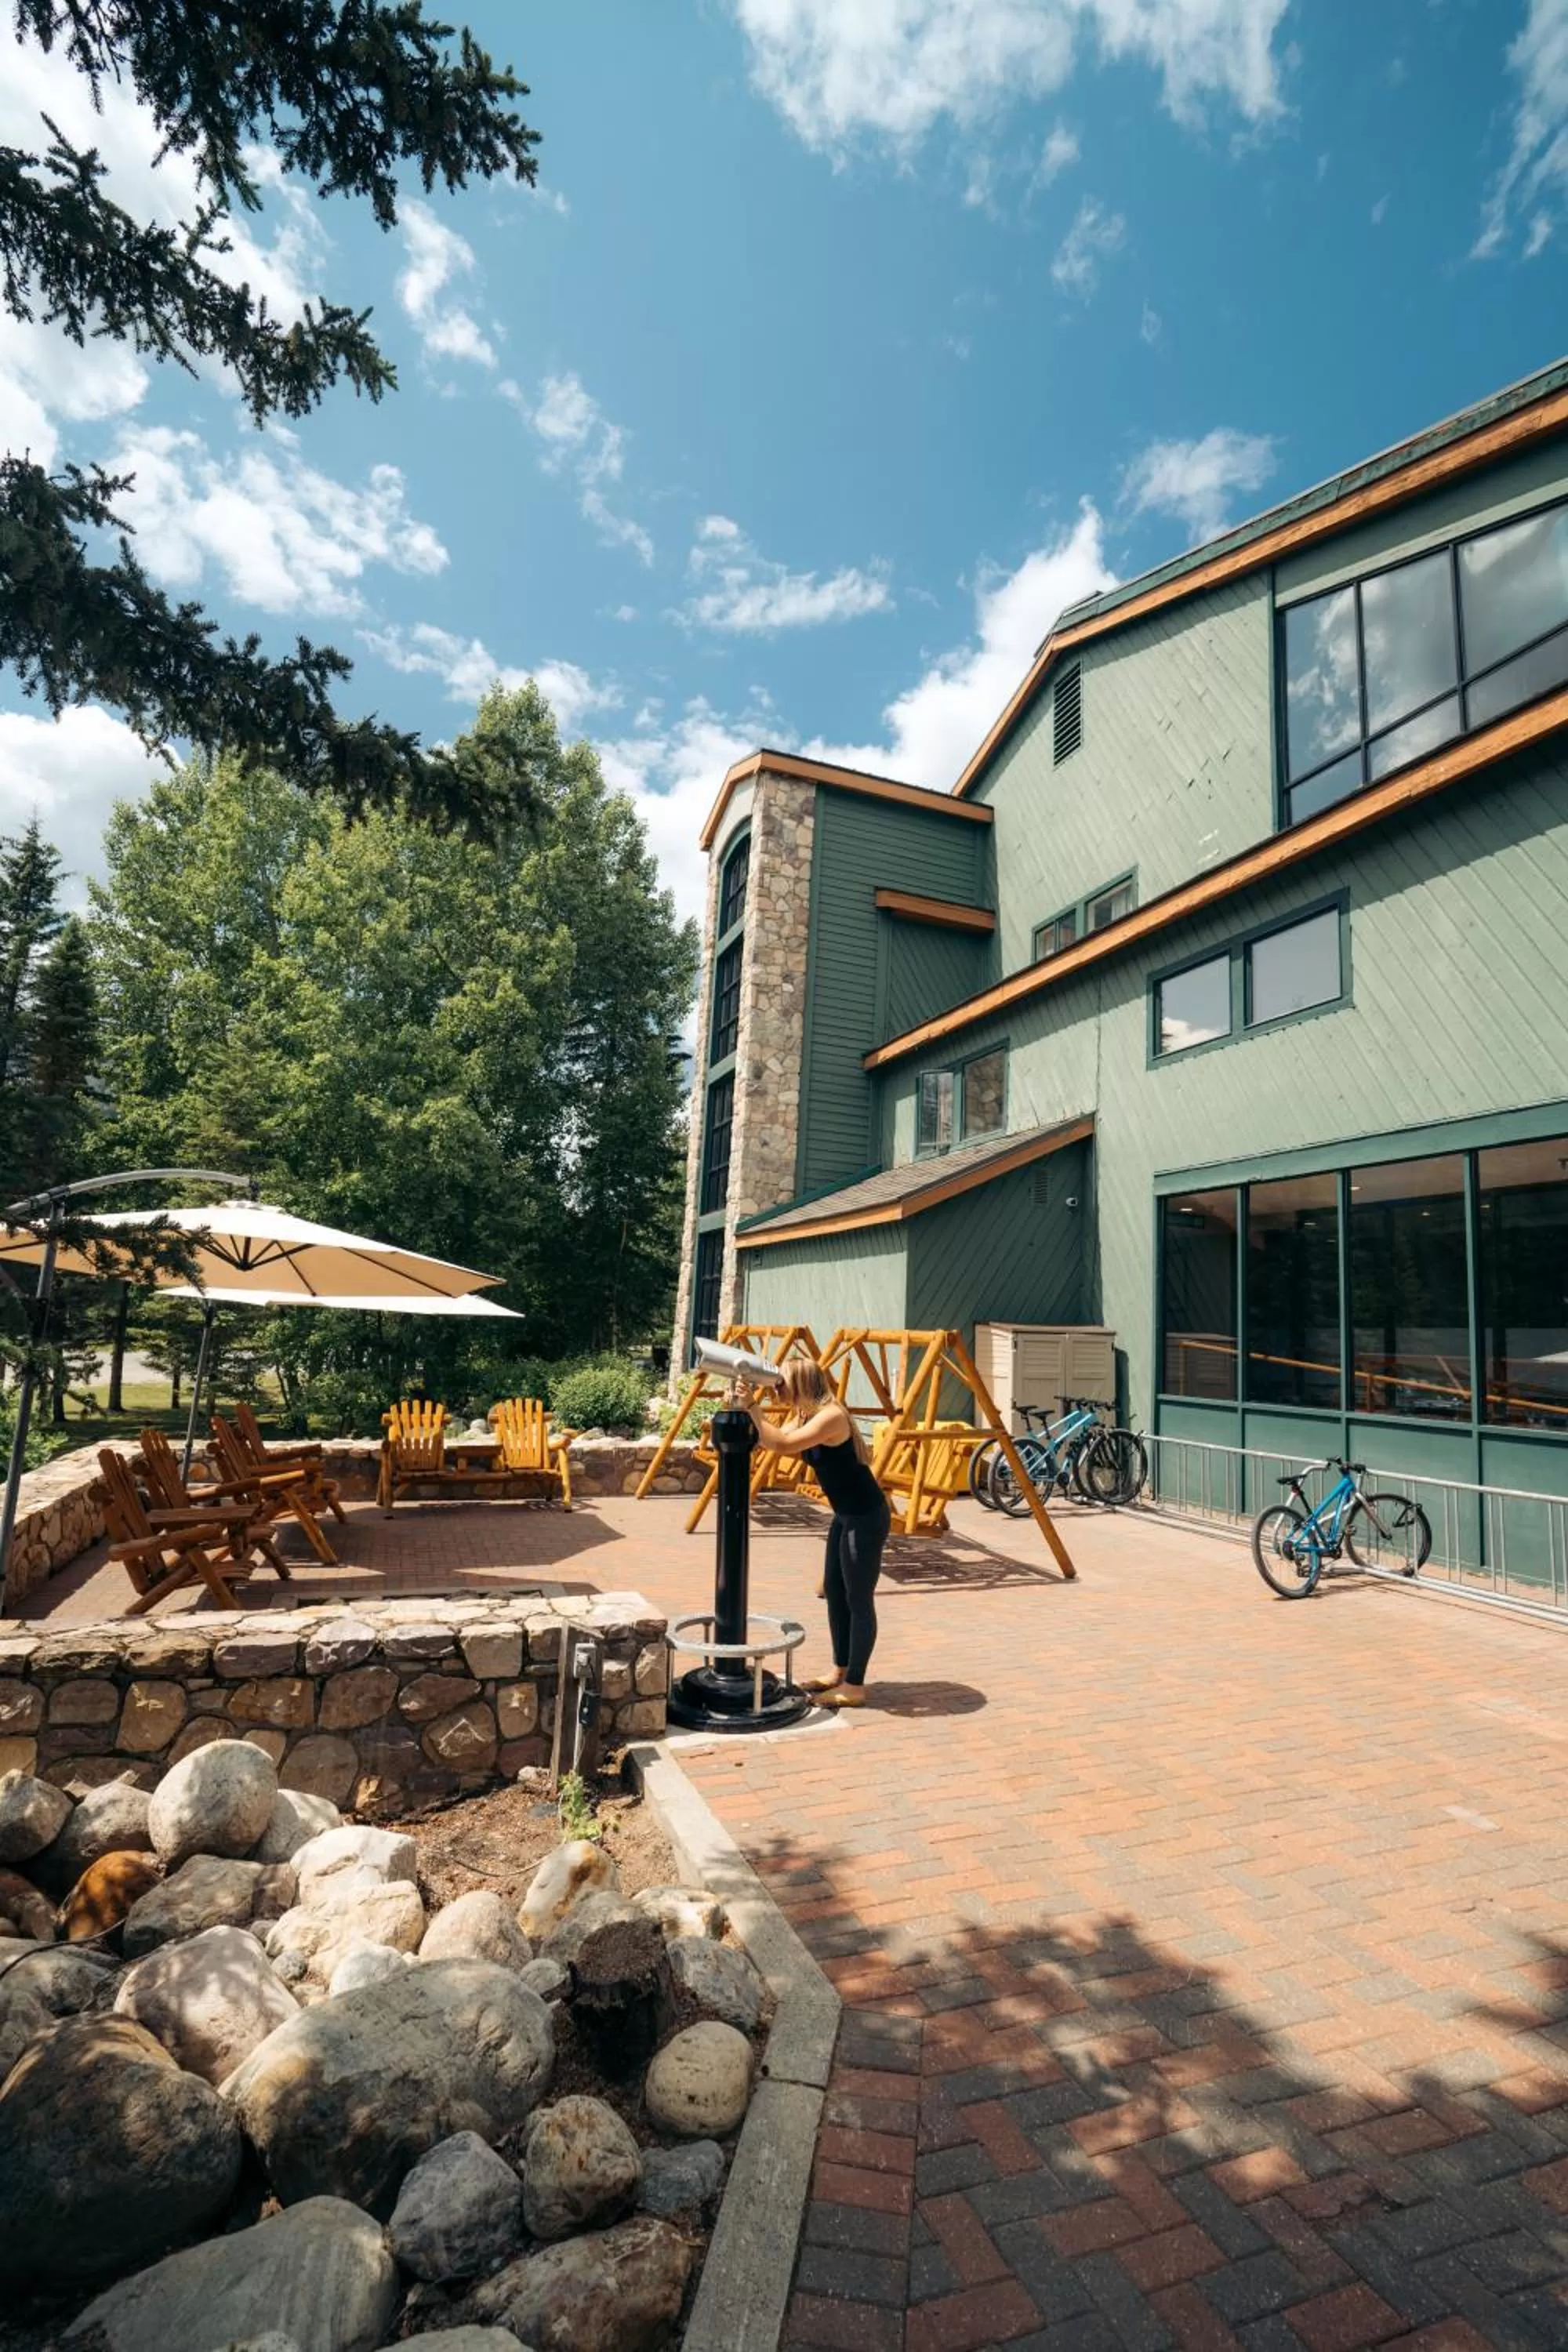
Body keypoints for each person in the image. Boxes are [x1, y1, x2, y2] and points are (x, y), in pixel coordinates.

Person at [739, 1359, 890, 1709]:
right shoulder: (805, 1413)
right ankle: (840, 1671)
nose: (778, 1390)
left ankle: (855, 1686)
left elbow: (783, 1446)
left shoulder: (831, 1416)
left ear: (803, 1382)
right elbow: (774, 1438)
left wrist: (752, 1405)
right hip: (845, 1515)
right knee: (835, 1593)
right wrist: (749, 1405)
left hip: (866, 1518)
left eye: (782, 1383)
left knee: (859, 1599)